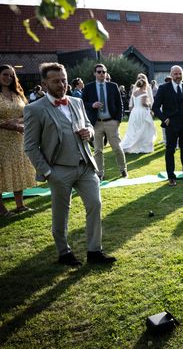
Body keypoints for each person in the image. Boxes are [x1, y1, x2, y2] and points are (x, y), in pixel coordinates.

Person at [23, 62, 116, 266]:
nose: (62, 84)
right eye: (56, 81)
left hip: (85, 166)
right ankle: (64, 253)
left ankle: (94, 251)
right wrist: (48, 172)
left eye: (64, 80)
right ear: (44, 83)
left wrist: (89, 132)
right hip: (58, 170)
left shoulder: (76, 102)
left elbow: (90, 125)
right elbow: (30, 146)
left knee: (95, 204)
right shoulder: (34, 109)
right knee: (61, 213)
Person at [0, 65, 35, 216]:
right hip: (2, 139)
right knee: (1, 171)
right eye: (5, 75)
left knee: (17, 169)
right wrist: (12, 126)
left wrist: (16, 122)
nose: (8, 78)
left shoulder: (18, 94)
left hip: (18, 139)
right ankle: (1, 209)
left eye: (11, 75)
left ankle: (20, 205)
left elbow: (27, 113)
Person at [152, 65, 183, 186]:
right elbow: (155, 107)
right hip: (171, 124)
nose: (178, 76)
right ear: (171, 75)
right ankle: (171, 176)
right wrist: (164, 118)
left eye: (180, 74)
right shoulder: (163, 88)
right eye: (175, 74)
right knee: (170, 150)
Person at [82, 63, 128, 179]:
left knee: (117, 148)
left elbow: (119, 104)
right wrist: (92, 104)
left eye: (104, 72)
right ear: (94, 73)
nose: (102, 74)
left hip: (111, 122)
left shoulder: (113, 86)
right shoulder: (89, 87)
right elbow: (82, 103)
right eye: (99, 72)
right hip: (96, 123)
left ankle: (123, 170)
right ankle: (99, 173)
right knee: (98, 150)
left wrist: (118, 120)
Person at [120, 78, 156, 154]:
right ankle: (142, 147)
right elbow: (144, 103)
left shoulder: (134, 92)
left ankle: (131, 145)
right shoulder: (144, 92)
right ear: (144, 85)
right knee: (143, 129)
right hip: (142, 112)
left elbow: (132, 104)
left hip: (134, 112)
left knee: (134, 129)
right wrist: (149, 104)